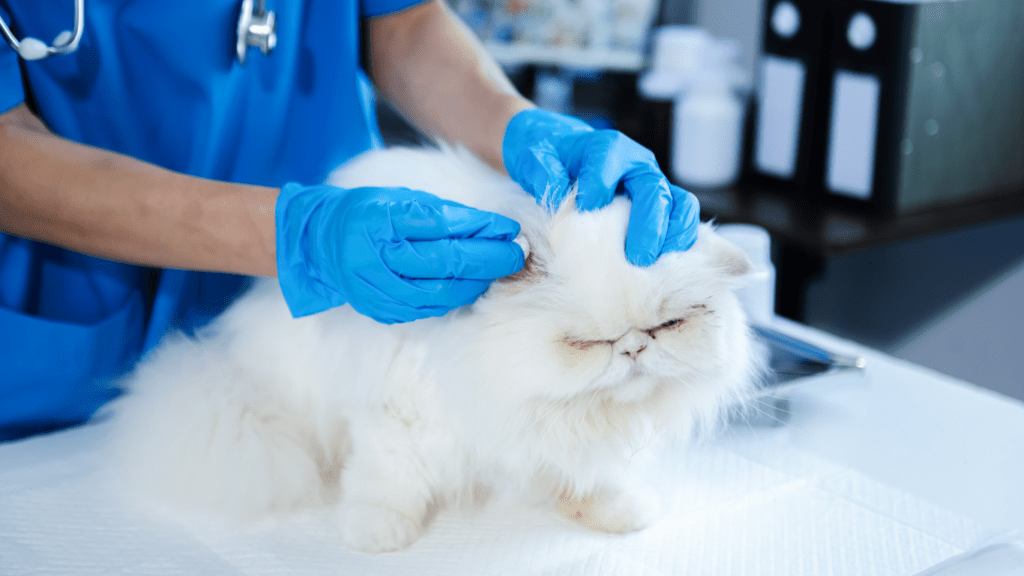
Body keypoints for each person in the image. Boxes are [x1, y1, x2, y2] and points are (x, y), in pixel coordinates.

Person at [0, 0, 700, 440]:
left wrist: (517, 126)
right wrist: (300, 236)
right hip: (69, 343)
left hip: (323, 329)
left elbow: (400, 17)